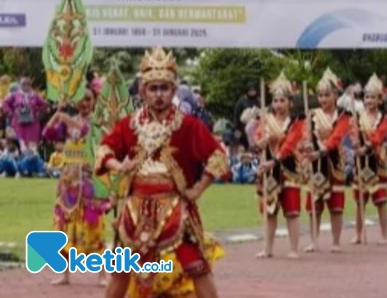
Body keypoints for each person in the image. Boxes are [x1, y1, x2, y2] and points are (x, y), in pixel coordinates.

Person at [94, 47, 227, 298]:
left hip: (175, 207)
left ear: (173, 91)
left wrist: (198, 188)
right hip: (135, 209)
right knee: (121, 271)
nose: (158, 95)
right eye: (152, 88)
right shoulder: (129, 125)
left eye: (163, 88)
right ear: (143, 91)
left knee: (197, 266)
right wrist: (118, 166)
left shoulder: (187, 125)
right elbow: (104, 150)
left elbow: (218, 155)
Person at [43, 88, 111, 286]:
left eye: (88, 99)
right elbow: (47, 133)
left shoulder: (98, 122)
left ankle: (102, 275)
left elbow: (86, 132)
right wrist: (57, 113)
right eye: (81, 100)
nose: (84, 103)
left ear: (94, 101)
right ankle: (65, 274)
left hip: (90, 182)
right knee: (64, 228)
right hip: (69, 183)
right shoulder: (68, 121)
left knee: (95, 228)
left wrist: (66, 118)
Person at [254, 72, 305, 259]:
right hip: (268, 170)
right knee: (270, 210)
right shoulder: (265, 120)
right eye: (275, 101)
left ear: (289, 102)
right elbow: (258, 139)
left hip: (288, 168)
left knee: (292, 210)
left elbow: (290, 143)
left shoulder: (297, 122)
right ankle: (267, 248)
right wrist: (260, 142)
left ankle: (293, 248)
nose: (278, 105)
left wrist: (274, 156)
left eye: (282, 100)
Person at [303, 68, 351, 253]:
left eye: (327, 95)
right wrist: (306, 146)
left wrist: (322, 149)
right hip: (315, 163)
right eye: (321, 95)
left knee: (336, 205)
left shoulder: (343, 115)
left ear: (335, 95)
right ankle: (313, 241)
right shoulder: (312, 115)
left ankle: (336, 241)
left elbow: (337, 136)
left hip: (333, 161)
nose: (323, 99)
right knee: (314, 204)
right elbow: (305, 136)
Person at [351, 74, 387, 244]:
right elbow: (353, 132)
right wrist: (355, 143)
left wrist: (366, 147)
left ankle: (384, 235)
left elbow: (379, 135)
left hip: (377, 161)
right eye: (367, 97)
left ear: (379, 99)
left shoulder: (386, 117)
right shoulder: (358, 116)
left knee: (381, 200)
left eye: (372, 97)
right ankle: (358, 234)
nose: (369, 100)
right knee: (360, 200)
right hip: (361, 161)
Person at [2, 77, 49, 153]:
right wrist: (11, 113)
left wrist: (37, 112)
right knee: (19, 144)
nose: (26, 85)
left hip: (32, 124)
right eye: (24, 84)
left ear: (30, 85)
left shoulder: (35, 95)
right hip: (18, 124)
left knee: (32, 145)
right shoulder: (15, 95)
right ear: (20, 85)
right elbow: (5, 103)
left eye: (28, 84)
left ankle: (32, 161)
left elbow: (44, 104)